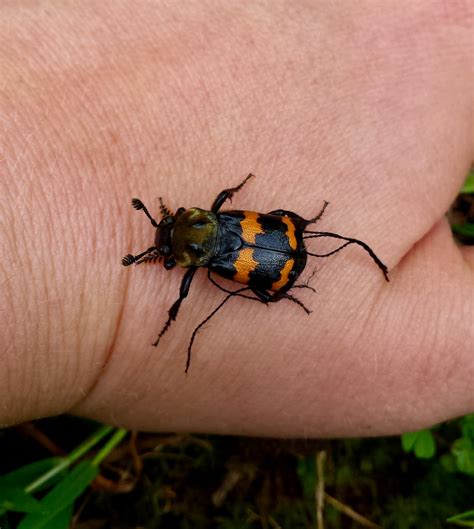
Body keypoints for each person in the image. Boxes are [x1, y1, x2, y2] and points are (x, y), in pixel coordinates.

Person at [1, 1, 473, 437]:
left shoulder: (203, 251)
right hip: (277, 252)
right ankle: (298, 245)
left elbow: (190, 259)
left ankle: (289, 266)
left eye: (170, 232)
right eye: (169, 238)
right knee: (281, 230)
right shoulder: (219, 218)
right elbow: (230, 205)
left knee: (266, 251)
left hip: (276, 265)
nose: (169, 233)